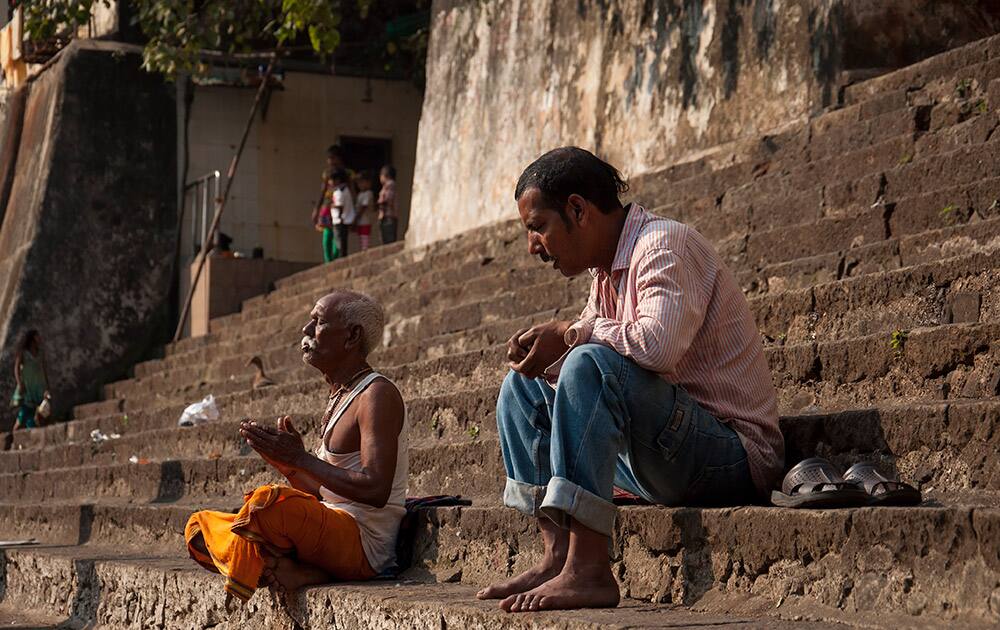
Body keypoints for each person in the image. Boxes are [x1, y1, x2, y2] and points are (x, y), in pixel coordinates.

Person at [477, 146, 784, 613]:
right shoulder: (605, 274)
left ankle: (589, 570)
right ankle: (557, 554)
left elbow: (655, 347)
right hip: (661, 453)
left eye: (538, 227)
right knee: (522, 388)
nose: (532, 246)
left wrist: (570, 335)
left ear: (578, 210)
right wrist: (544, 357)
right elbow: (591, 363)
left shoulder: (663, 244)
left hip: (729, 455)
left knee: (587, 362)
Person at [185, 290, 407, 604]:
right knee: (199, 526)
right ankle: (295, 567)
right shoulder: (339, 395)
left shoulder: (376, 394)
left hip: (363, 542)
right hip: (328, 528)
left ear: (352, 336)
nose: (305, 331)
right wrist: (287, 464)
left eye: (318, 323)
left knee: (266, 505)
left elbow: (376, 488)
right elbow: (323, 492)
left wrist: (300, 457)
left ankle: (275, 564)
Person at [11, 329, 50, 431]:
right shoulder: (23, 353)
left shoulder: (40, 353)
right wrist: (20, 383)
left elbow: (44, 369)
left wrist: (47, 386)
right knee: (26, 410)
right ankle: (12, 435)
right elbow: (16, 368)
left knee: (40, 411)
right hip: (27, 386)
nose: (39, 339)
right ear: (32, 339)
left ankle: (31, 430)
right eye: (37, 336)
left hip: (39, 386)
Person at [313, 148, 339, 262]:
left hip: (339, 207)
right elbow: (322, 191)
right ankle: (328, 261)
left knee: (337, 234)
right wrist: (316, 209)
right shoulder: (327, 173)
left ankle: (334, 258)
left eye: (332, 158)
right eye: (329, 158)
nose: (330, 161)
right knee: (327, 234)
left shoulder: (347, 174)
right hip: (327, 207)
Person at [330, 168, 355, 259]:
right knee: (342, 243)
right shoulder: (345, 190)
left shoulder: (339, 191)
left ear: (337, 180)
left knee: (339, 244)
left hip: (340, 221)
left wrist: (332, 206)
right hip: (344, 220)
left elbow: (340, 206)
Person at [377, 165, 398, 245]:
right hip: (386, 216)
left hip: (388, 216)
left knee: (388, 239)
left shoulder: (390, 185)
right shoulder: (386, 187)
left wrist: (379, 203)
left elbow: (387, 199)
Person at [354, 171, 375, 252]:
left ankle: (365, 252)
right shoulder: (360, 194)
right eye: (358, 183)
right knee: (361, 238)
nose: (360, 185)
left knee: (365, 239)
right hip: (360, 221)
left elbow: (364, 207)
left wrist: (356, 218)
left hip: (365, 220)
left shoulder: (368, 193)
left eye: (362, 182)